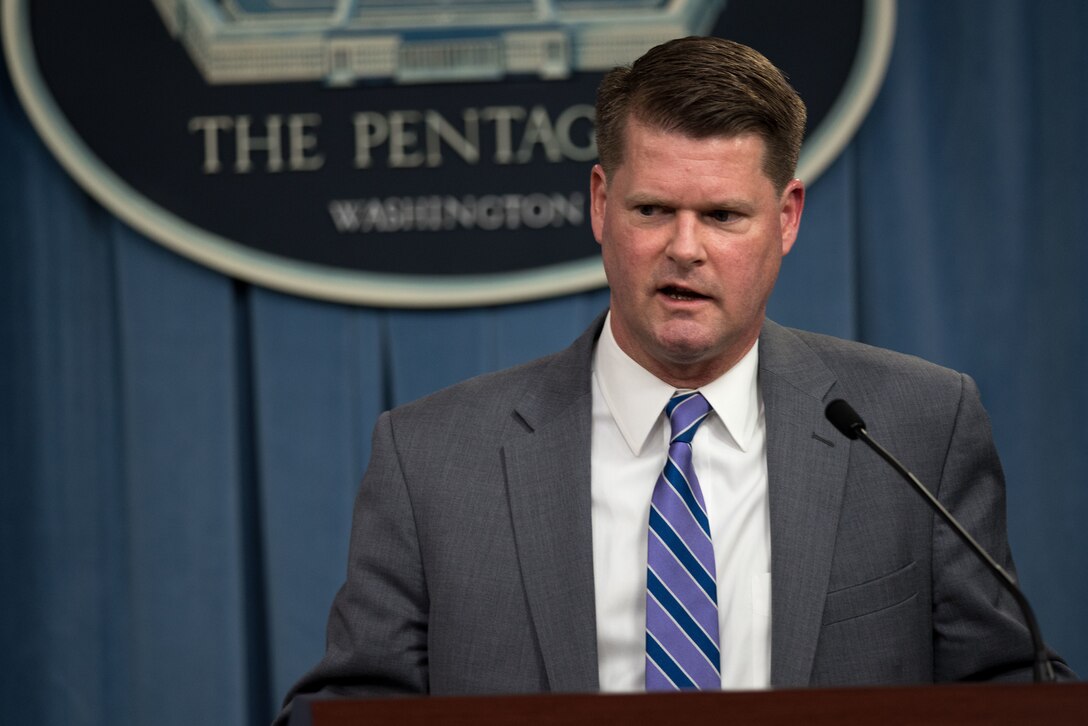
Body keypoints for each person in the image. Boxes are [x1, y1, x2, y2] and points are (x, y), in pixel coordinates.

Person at [276, 36, 1071, 721]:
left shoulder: (916, 426)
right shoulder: (434, 458)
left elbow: (1005, 690)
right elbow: (350, 713)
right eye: (653, 210)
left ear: (788, 217)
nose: (684, 249)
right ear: (600, 204)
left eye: (723, 216)